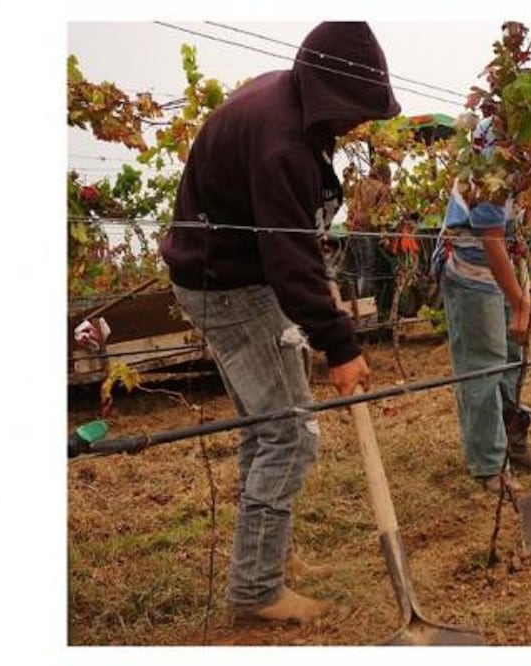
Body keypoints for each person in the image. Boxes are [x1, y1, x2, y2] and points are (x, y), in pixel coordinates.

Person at [158, 23, 401, 625]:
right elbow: (290, 264)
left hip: (241, 278)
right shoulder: (282, 146)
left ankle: (263, 559)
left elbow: (292, 250)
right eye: (356, 111)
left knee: (269, 430)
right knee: (288, 434)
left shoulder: (292, 104)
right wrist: (340, 346)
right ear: (331, 94)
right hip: (228, 288)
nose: (358, 126)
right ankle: (257, 589)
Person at [435, 118, 531, 496]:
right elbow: (491, 237)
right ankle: (488, 465)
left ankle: (513, 445)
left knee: (513, 359)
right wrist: (520, 304)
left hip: (501, 270)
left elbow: (515, 227)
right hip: (471, 273)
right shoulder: (490, 162)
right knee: (483, 365)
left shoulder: (523, 161)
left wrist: (523, 297)